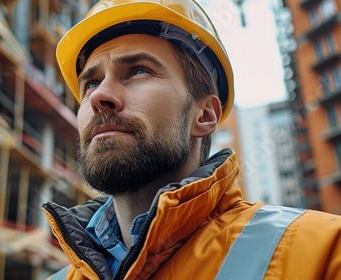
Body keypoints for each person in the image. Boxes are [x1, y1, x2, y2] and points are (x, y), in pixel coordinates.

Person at [42, 0, 341, 279]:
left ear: (205, 116)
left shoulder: (323, 254)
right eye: (91, 83)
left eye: (138, 71)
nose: (99, 96)